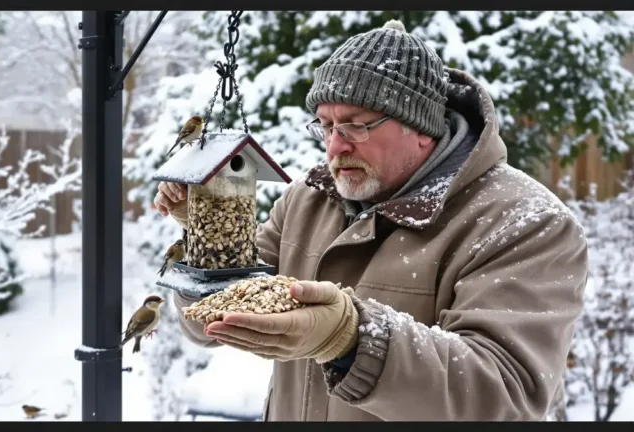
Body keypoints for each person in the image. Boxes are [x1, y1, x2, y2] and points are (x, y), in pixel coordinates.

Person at [154, 19, 587, 421]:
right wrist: (208, 237)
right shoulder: (307, 199)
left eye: (356, 126)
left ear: (421, 128)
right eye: (325, 126)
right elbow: (217, 316)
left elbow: (506, 396)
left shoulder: (524, 222)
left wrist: (352, 339)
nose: (334, 147)